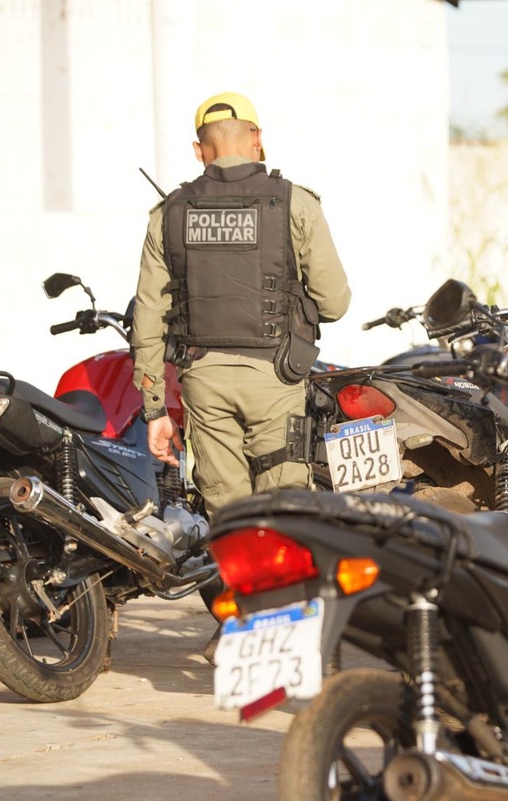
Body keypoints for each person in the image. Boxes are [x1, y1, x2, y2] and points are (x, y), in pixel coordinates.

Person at [132, 90, 351, 513]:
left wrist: (155, 408)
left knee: (227, 514)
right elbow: (335, 302)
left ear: (199, 151)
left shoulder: (169, 213)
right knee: (286, 509)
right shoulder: (295, 204)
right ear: (257, 139)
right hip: (277, 376)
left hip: (203, 380)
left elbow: (148, 316)